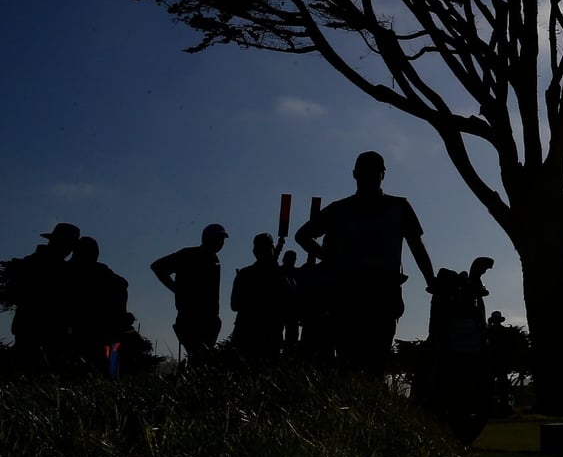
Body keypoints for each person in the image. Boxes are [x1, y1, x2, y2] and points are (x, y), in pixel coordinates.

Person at [295, 151, 436, 375]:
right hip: (356, 294)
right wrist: (431, 281)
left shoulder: (349, 209)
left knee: (362, 361)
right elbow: (416, 245)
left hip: (370, 293)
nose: (369, 178)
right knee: (363, 361)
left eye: (371, 173)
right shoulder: (391, 207)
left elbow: (303, 236)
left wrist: (327, 258)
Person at [7, 222, 80, 371]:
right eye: (69, 245)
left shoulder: (29, 263)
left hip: (31, 327)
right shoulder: (63, 271)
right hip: (44, 330)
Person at [151, 223, 228, 365]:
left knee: (202, 360)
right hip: (190, 318)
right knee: (200, 357)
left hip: (209, 319)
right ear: (206, 239)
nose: (220, 243)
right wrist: (175, 289)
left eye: (222, 239)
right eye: (217, 238)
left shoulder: (215, 261)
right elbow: (157, 267)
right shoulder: (189, 255)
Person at [67, 236, 134, 377]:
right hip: (108, 327)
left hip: (87, 327)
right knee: (110, 359)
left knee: (89, 361)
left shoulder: (73, 270)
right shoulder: (102, 270)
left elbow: (122, 284)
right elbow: (123, 283)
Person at [229, 233, 290, 363]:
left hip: (266, 335)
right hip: (251, 335)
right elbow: (234, 305)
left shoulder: (279, 276)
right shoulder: (278, 276)